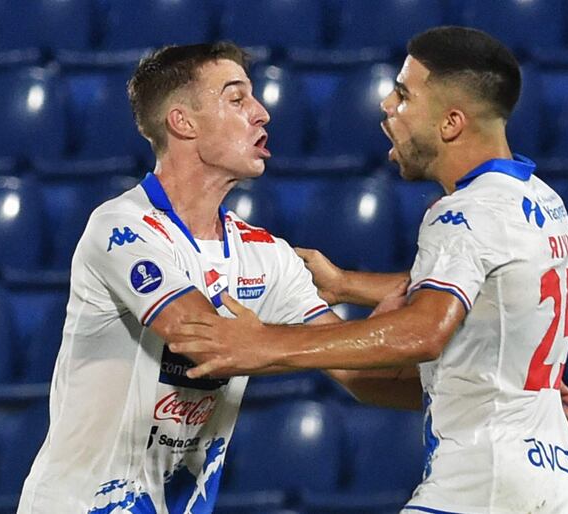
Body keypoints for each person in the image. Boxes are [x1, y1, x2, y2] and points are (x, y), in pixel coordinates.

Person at [167, 27, 568, 514]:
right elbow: (487, 286)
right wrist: (346, 285)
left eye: (405, 94)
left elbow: (425, 330)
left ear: (451, 123)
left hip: (482, 486)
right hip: (553, 480)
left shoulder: (464, 212)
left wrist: (261, 343)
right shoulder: (539, 199)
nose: (387, 105)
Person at [17, 42, 343, 513]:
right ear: (182, 122)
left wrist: (429, 356)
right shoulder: (121, 227)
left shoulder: (267, 256)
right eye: (237, 99)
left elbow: (354, 363)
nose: (262, 113)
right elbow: (203, 340)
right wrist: (316, 344)